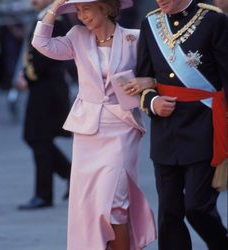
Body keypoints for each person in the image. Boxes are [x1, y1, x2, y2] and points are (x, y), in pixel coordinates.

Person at [32, 0, 156, 249]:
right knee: (91, 204)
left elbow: (158, 72)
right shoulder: (76, 36)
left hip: (123, 128)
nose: (81, 15)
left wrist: (147, 81)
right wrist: (55, 7)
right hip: (88, 131)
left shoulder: (136, 38)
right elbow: (41, 43)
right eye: (77, 10)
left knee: (116, 203)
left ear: (106, 8)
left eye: (86, 8)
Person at [136, 0, 228, 249]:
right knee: (169, 211)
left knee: (197, 207)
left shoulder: (214, 20)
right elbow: (143, 78)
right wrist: (153, 102)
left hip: (205, 125)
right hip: (166, 130)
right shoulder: (150, 23)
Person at [17, 0, 74, 210]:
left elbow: (44, 56)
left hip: (48, 88)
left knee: (38, 138)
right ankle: (70, 175)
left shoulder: (54, 18)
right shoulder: (44, 15)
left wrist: (28, 75)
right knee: (37, 138)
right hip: (42, 87)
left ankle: (44, 194)